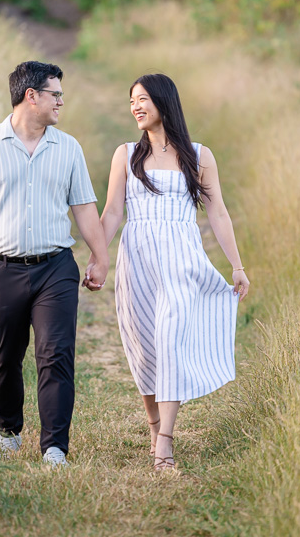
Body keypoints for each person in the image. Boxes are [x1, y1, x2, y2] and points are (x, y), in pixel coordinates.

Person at [88, 73, 250, 471]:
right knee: (144, 345)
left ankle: (165, 443)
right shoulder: (125, 154)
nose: (136, 107)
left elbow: (218, 213)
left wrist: (237, 266)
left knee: (171, 340)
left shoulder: (199, 155)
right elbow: (112, 213)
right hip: (137, 258)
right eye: (131, 102)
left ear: (164, 101)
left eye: (142, 99)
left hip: (181, 258)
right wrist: (97, 257)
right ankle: (153, 423)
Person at [0, 60, 108, 467]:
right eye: (55, 94)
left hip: (55, 268)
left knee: (55, 353)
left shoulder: (68, 148)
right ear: (31, 96)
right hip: (0, 269)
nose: (61, 101)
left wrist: (101, 256)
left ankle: (54, 446)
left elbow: (85, 208)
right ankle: (9, 430)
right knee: (4, 358)